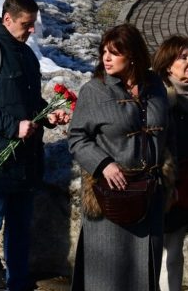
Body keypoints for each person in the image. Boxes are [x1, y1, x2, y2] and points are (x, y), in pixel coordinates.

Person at [0, 0, 70, 291]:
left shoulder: (26, 53)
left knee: (20, 230)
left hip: (26, 162)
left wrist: (47, 117)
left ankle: (18, 284)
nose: (32, 30)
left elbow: (29, 102)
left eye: (34, 23)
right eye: (26, 24)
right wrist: (12, 126)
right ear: (7, 19)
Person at [69, 23, 173, 290]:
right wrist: (104, 165)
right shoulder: (95, 91)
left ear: (134, 56)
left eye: (114, 52)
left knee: (144, 276)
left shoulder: (156, 88)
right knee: (107, 277)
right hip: (111, 196)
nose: (106, 58)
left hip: (149, 194)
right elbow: (77, 138)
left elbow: (165, 132)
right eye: (104, 51)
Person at [151, 35, 188, 291]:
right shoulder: (160, 99)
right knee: (170, 249)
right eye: (183, 57)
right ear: (168, 65)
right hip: (173, 187)